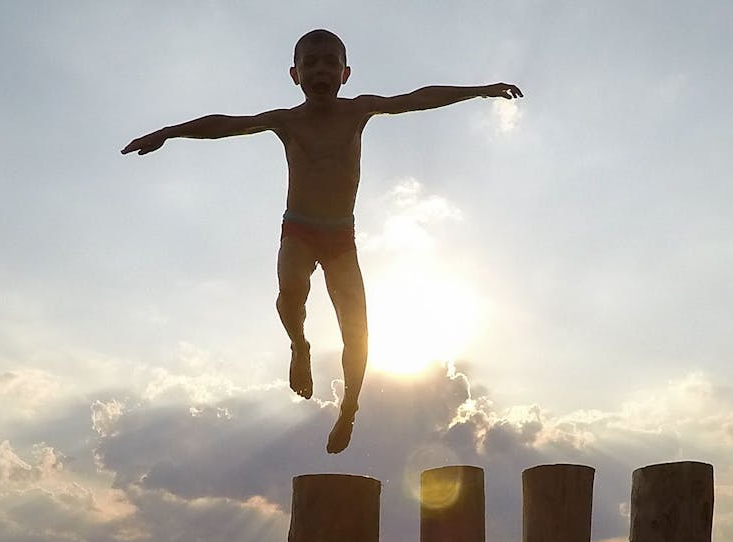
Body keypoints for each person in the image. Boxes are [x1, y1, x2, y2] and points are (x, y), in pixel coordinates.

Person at [121, 29, 522, 453]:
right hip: (299, 228)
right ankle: (299, 345)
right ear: (295, 75)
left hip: (340, 237)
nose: (320, 69)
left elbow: (418, 97)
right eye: (310, 63)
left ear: (345, 73)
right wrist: (168, 132)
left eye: (330, 61)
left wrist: (481, 90)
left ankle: (348, 409)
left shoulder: (359, 110)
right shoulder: (287, 121)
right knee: (291, 291)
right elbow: (225, 125)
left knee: (358, 330)